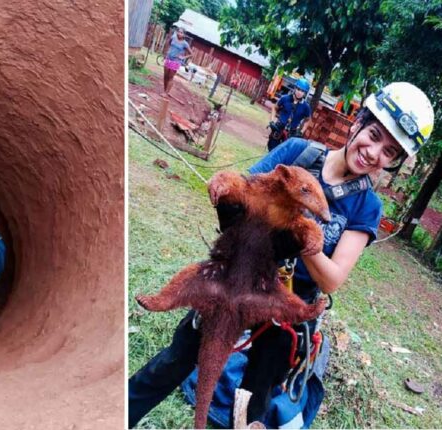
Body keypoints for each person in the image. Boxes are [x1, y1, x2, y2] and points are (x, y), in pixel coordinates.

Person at [128, 82, 434, 428]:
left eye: (389, 152)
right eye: (374, 135)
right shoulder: (296, 154)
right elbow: (241, 196)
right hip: (237, 277)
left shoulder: (367, 206)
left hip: (283, 307)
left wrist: (299, 237)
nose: (374, 152)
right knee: (174, 361)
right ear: (358, 122)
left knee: (252, 405)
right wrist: (228, 194)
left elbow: (332, 279)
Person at [268, 78, 312, 151]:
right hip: (278, 129)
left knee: (284, 155)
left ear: (305, 93)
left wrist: (301, 132)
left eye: (302, 91)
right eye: (298, 89)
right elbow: (274, 108)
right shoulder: (285, 98)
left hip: (291, 133)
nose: (299, 92)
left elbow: (308, 120)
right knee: (272, 150)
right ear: (295, 88)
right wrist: (272, 121)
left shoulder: (306, 106)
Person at [162, 27, 193, 99]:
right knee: (165, 75)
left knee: (170, 77)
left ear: (184, 35)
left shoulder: (185, 44)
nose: (179, 33)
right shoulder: (173, 37)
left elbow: (191, 54)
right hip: (168, 58)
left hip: (176, 61)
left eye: (181, 32)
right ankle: (165, 90)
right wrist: (166, 52)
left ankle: (166, 93)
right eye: (178, 32)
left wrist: (183, 57)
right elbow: (168, 43)